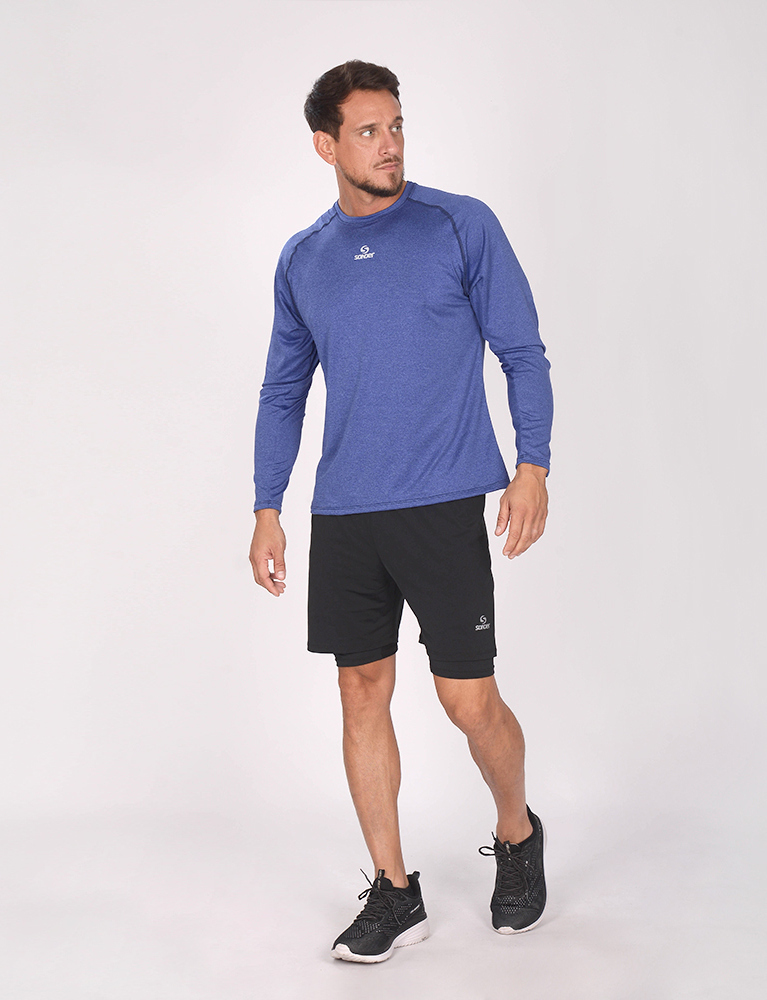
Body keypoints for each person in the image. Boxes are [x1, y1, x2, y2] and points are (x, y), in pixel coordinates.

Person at [249, 60, 553, 964]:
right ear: (326, 146)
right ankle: (394, 889)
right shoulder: (304, 258)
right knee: (360, 690)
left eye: (396, 126)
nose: (390, 145)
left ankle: (518, 833)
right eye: (368, 132)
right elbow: (282, 391)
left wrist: (532, 464)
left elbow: (522, 350)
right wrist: (267, 506)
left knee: (468, 700)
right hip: (346, 511)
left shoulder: (460, 224)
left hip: (442, 500)